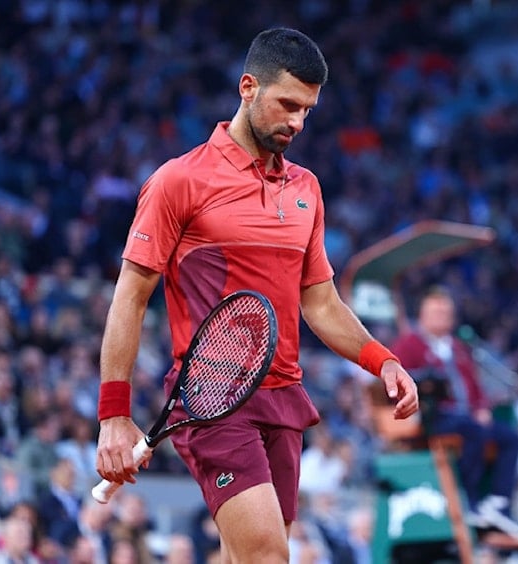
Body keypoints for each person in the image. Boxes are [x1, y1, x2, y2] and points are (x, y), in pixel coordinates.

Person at [94, 27, 419, 564]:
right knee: (269, 556)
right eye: (288, 104)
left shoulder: (307, 189)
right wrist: (113, 414)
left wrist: (381, 361)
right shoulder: (179, 181)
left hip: (283, 396)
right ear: (248, 87)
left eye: (308, 111)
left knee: (244, 555)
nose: (297, 122)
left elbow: (320, 303)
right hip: (213, 398)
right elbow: (129, 297)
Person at [391, 287, 518, 532]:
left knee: (509, 437)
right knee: (473, 431)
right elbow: (402, 379)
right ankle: (468, 499)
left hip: (466, 415)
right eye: (436, 312)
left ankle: (497, 503)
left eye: (446, 312)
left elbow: (475, 386)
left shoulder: (459, 347)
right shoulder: (409, 345)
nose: (442, 317)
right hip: (435, 416)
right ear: (422, 315)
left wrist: (482, 408)